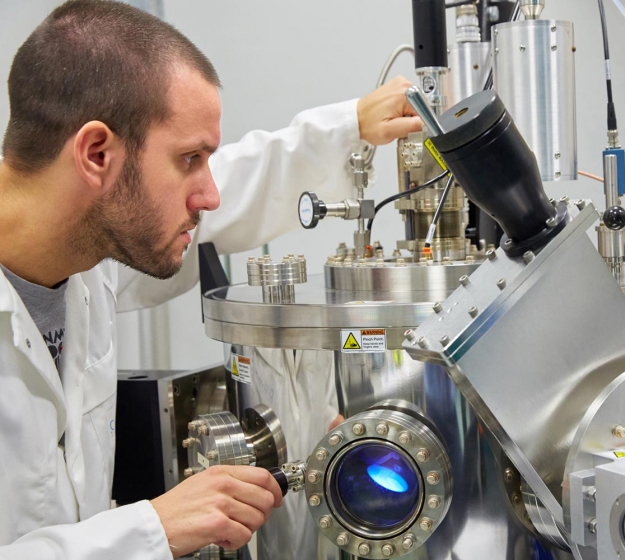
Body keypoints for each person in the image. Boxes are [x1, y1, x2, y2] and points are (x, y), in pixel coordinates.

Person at [0, 1, 422, 558]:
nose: (210, 194)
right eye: (190, 159)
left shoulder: (87, 259)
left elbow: (235, 191)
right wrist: (154, 529)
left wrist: (351, 128)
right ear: (97, 153)